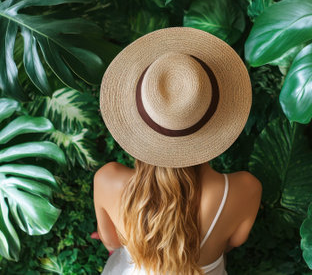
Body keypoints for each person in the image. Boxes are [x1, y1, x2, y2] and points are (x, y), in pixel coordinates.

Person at [94, 27, 262, 275]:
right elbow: (234, 242)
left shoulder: (108, 179)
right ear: (216, 119)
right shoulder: (246, 188)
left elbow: (111, 242)